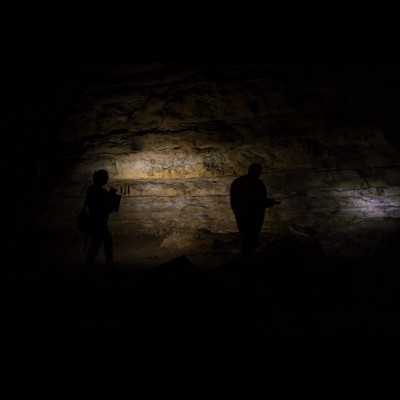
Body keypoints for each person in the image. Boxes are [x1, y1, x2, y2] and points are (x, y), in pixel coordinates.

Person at [230, 163, 278, 256]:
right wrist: (268, 202)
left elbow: (234, 200)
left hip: (242, 215)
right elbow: (259, 202)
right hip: (254, 216)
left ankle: (247, 258)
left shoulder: (238, 182)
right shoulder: (258, 184)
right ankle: (250, 259)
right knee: (252, 238)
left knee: (246, 238)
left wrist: (236, 211)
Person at [83, 169, 117, 275]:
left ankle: (104, 265)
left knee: (100, 243)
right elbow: (109, 208)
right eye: (105, 177)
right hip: (99, 222)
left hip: (94, 221)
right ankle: (103, 266)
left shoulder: (91, 189)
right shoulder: (101, 192)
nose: (107, 179)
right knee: (99, 244)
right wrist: (110, 196)